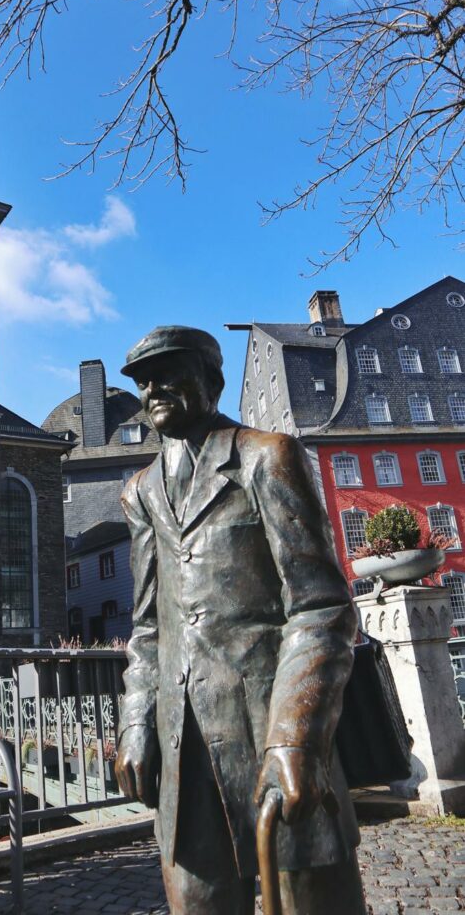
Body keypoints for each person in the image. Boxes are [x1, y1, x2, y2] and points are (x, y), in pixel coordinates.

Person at [114, 326, 367, 915]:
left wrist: (295, 737)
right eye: (143, 381)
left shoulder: (265, 457)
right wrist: (135, 724)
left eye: (169, 373)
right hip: (183, 748)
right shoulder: (139, 493)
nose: (152, 388)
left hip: (270, 730)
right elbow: (149, 626)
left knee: (314, 900)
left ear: (212, 380)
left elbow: (321, 607)